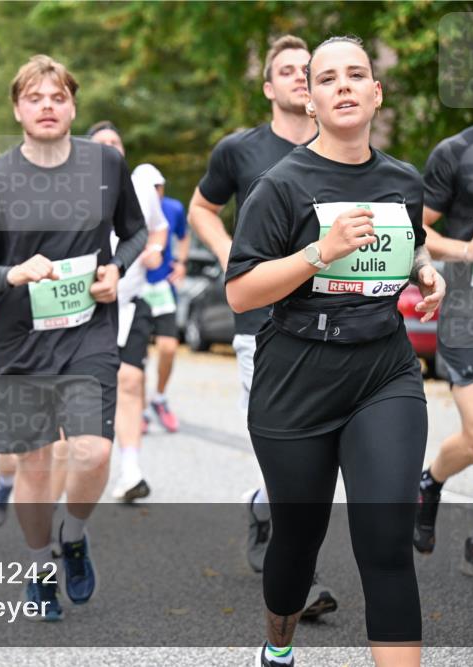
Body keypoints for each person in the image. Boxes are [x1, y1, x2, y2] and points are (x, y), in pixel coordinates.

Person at [226, 36, 445, 667]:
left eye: (355, 75)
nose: (343, 85)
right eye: (327, 78)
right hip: (297, 376)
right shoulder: (280, 185)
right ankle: (278, 646)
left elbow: (412, 242)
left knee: (386, 543)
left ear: (376, 93)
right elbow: (241, 292)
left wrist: (425, 272)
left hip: (383, 371)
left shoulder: (402, 180)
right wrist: (320, 252)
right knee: (298, 539)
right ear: (311, 101)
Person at [0, 55, 146, 620]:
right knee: (34, 467)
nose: (47, 107)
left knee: (93, 450)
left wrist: (116, 270)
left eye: (58, 97)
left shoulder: (106, 165)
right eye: (34, 98)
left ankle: (74, 535)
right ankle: (39, 569)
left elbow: (135, 234)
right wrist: (12, 274)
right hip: (20, 339)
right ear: (17, 109)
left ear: (73, 107)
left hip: (89, 331)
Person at [188, 35, 333, 599]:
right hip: (263, 324)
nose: (300, 76)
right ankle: (303, 579)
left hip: (332, 322)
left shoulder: (340, 146)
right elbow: (202, 208)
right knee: (294, 447)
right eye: (288, 70)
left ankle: (262, 507)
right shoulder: (239, 150)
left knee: (319, 451)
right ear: (269, 87)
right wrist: (232, 255)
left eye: (308, 68)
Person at [414, 51, 473, 581]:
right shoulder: (457, 152)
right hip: (471, 311)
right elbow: (418, 229)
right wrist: (466, 249)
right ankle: (428, 482)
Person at [88, 120, 168, 502]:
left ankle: (131, 470)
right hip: (85, 307)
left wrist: (155, 252)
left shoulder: (140, 187)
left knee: (131, 381)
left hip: (130, 302)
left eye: (115, 141)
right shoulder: (73, 189)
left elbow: (157, 228)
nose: (110, 146)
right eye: (101, 142)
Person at [143, 170, 190, 433]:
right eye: (149, 187)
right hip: (136, 288)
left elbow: (184, 235)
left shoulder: (173, 208)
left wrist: (181, 263)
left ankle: (159, 398)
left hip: (163, 287)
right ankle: (138, 408)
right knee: (137, 355)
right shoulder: (128, 207)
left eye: (158, 187)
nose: (155, 192)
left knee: (169, 347)